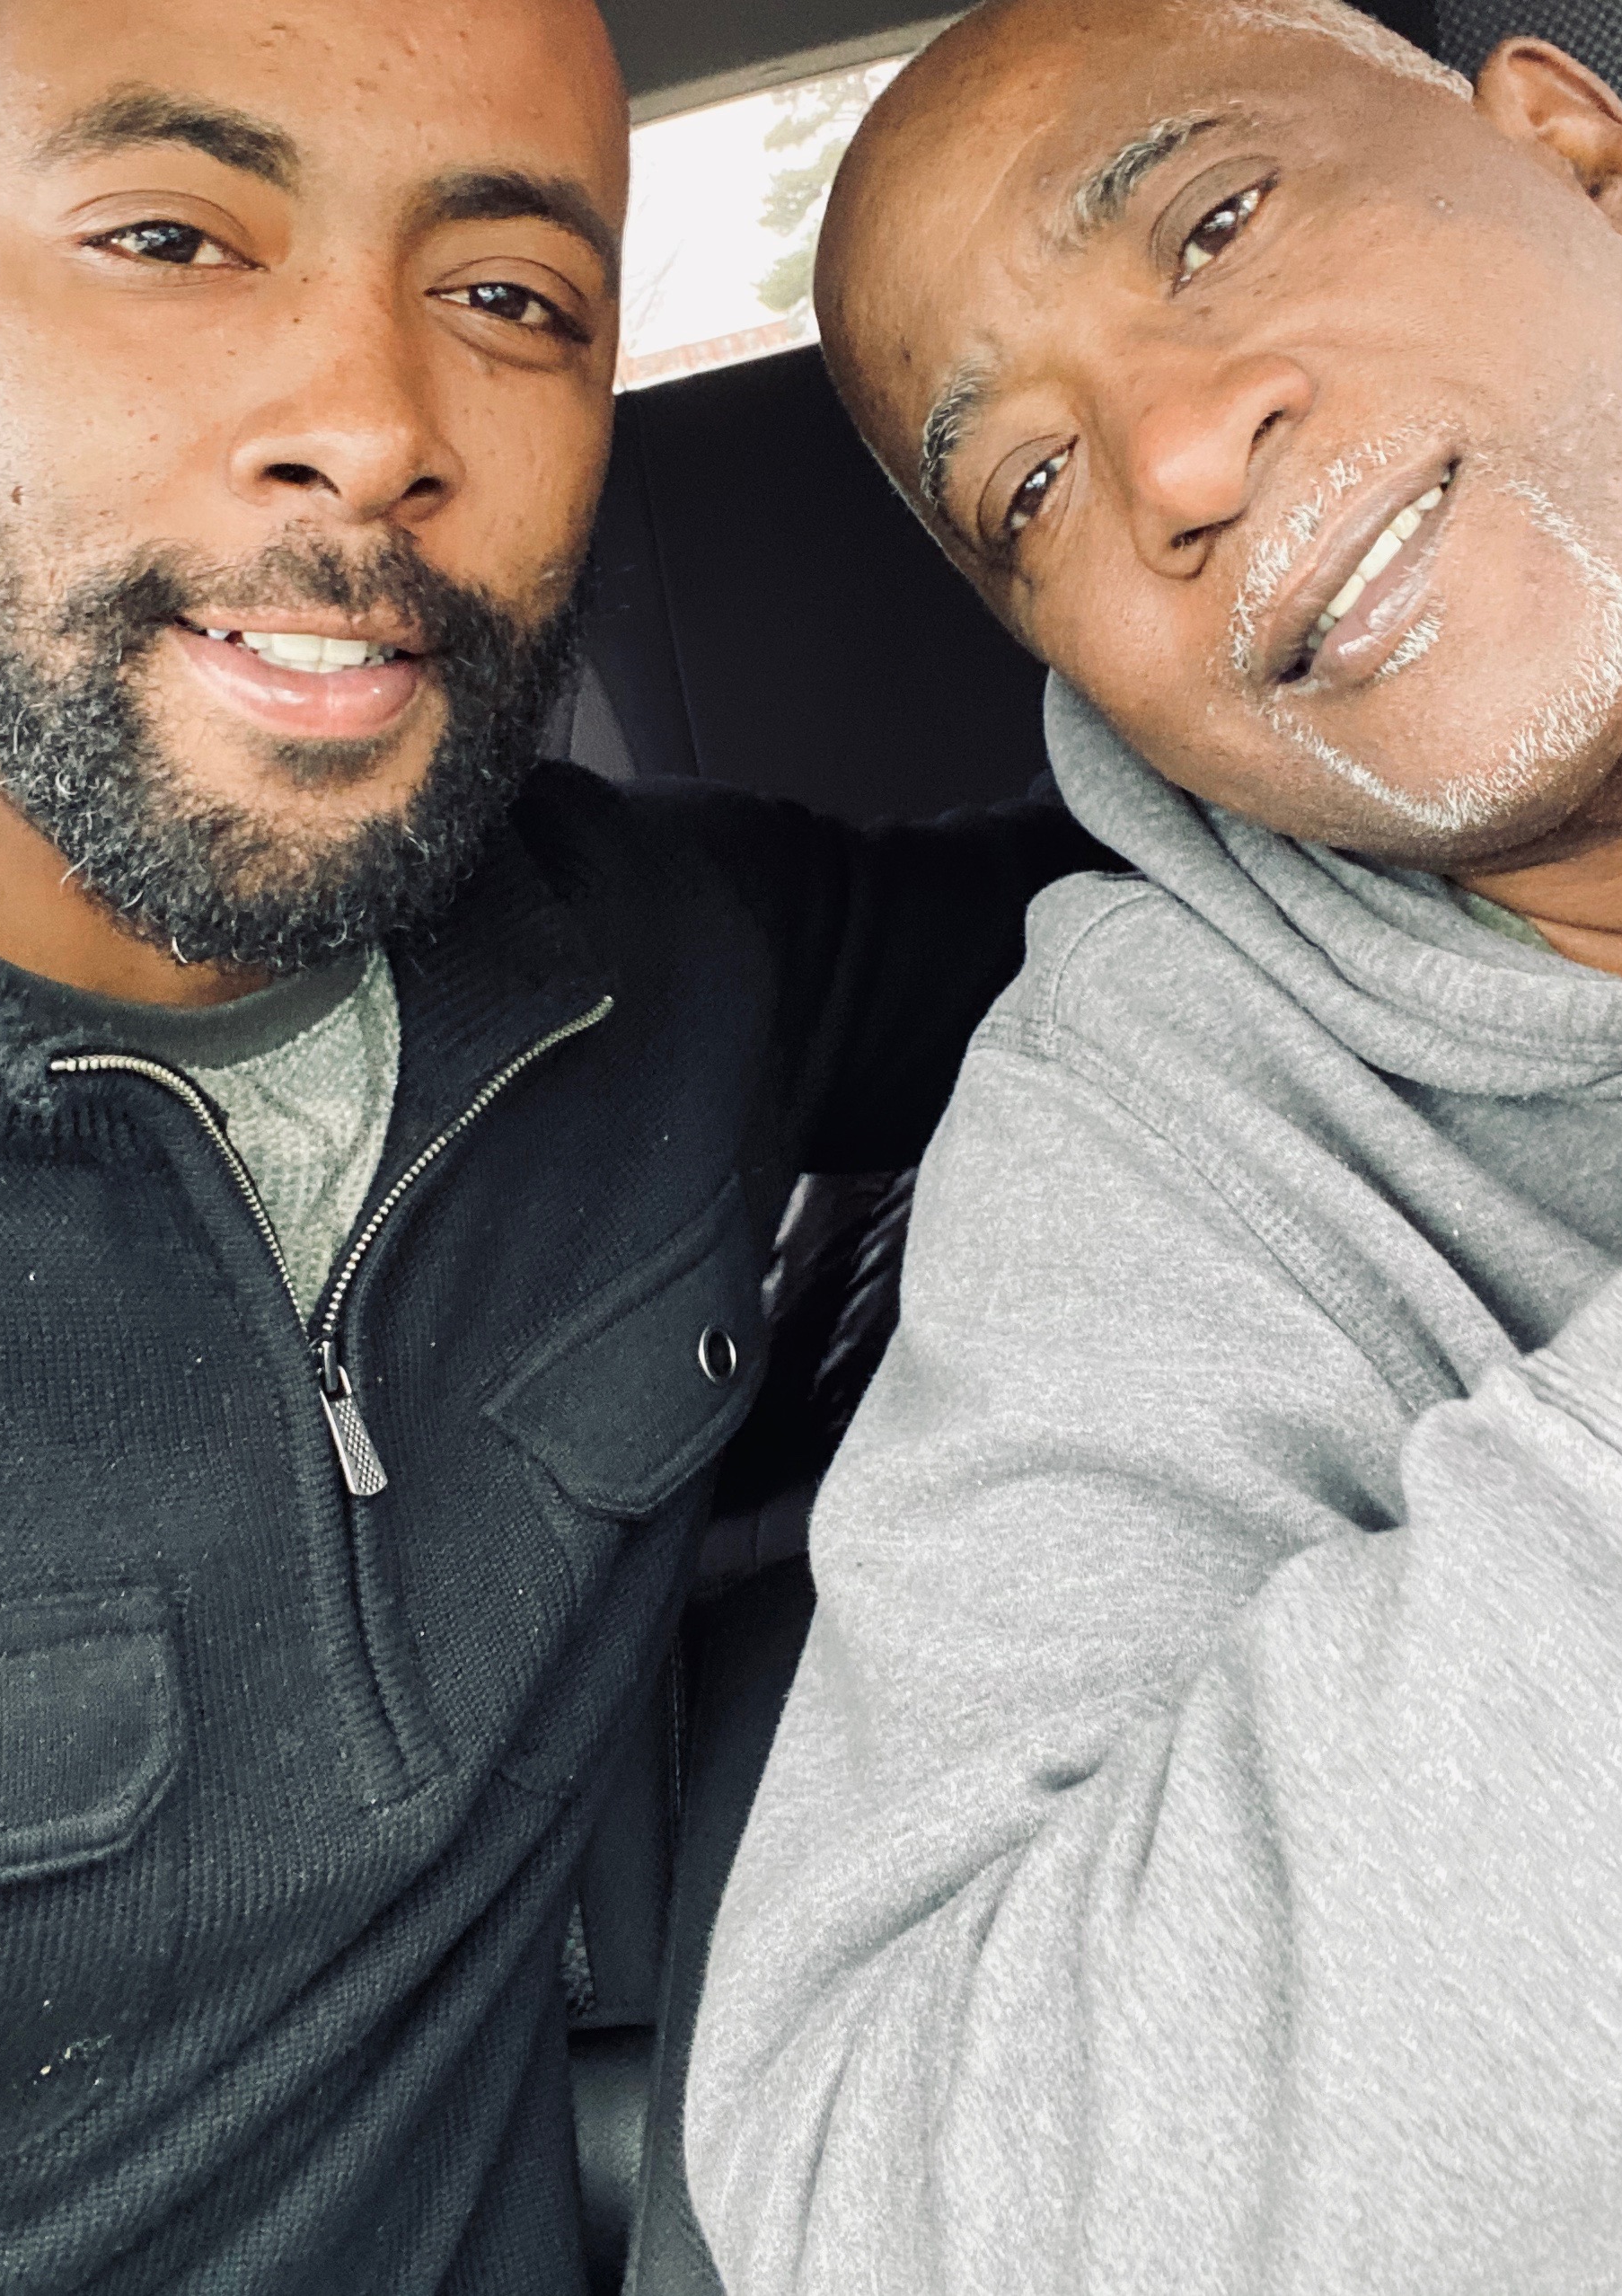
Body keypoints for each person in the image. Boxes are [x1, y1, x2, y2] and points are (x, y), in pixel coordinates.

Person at [0, 0, 1107, 2289]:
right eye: (172, 237)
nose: (370, 426)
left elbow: (1162, 902)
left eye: (506, 295)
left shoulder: (656, 952)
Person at [684, 3, 1622, 2290]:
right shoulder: (1155, 1117)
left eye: (1214, 226)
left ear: (1571, 148)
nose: (1179, 457)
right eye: (1027, 491)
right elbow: (903, 2212)